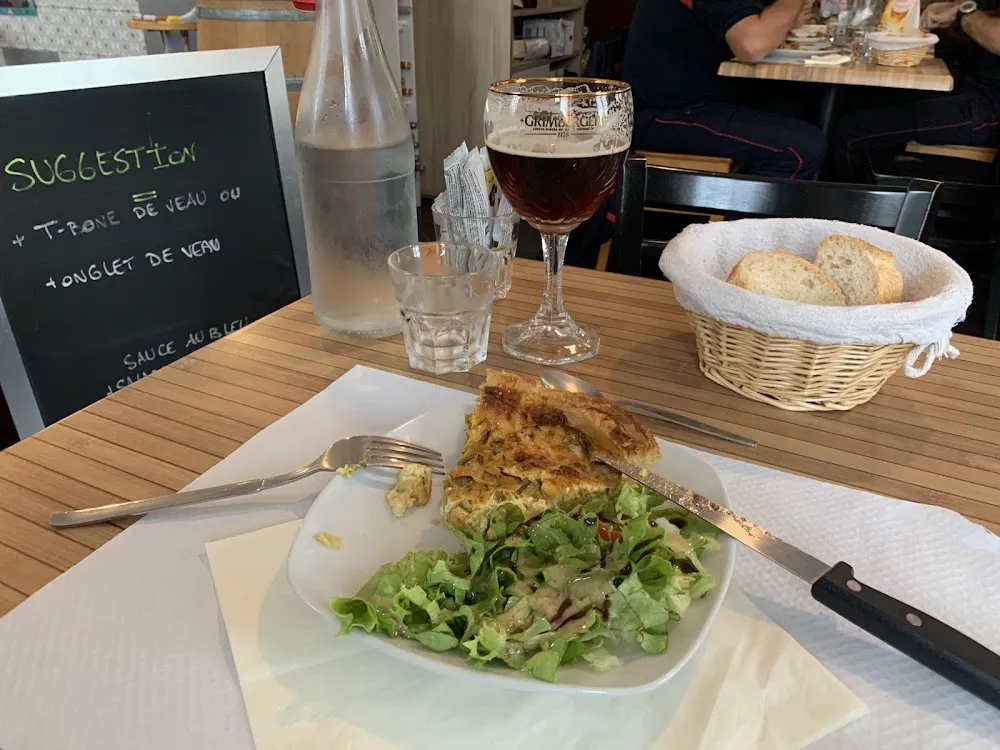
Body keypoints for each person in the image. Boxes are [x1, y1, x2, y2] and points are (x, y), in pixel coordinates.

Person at [621, 0, 827, 179]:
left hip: (698, 98)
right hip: (663, 112)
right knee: (801, 149)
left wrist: (783, 16)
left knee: (799, 110)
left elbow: (752, 26)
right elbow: (752, 45)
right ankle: (736, 225)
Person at [830, 2, 1000, 182]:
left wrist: (963, 13)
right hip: (971, 86)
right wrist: (952, 20)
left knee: (850, 131)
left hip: (990, 107)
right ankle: (886, 192)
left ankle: (843, 207)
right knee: (859, 100)